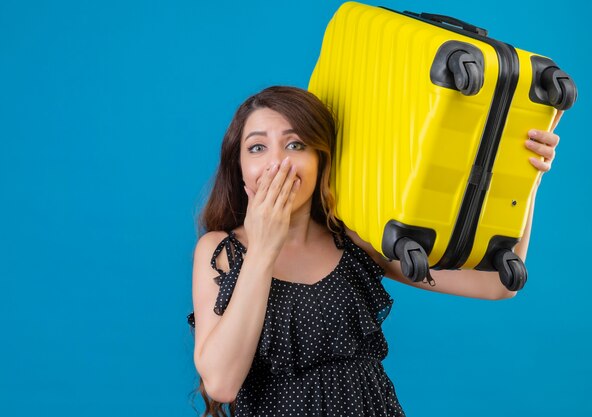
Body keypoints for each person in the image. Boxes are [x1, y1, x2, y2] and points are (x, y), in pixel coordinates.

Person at [186, 86, 562, 417]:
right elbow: (221, 383)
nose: (277, 163)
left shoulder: (356, 240)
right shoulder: (219, 252)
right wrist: (264, 247)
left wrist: (524, 179)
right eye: (257, 147)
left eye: (295, 144)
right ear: (239, 166)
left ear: (321, 159)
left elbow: (498, 283)